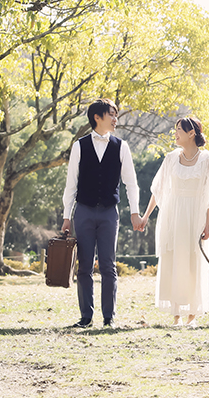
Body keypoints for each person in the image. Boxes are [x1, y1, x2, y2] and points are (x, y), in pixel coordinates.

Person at [61, 99, 141, 328]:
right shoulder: (79, 146)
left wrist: (134, 212)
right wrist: (67, 217)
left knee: (108, 265)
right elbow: (71, 185)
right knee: (84, 266)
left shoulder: (121, 146)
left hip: (109, 213)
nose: (116, 119)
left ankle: (109, 317)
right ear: (97, 117)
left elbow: (131, 184)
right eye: (112, 115)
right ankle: (86, 316)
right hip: (83, 212)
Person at [139, 116, 209, 326]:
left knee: (194, 262)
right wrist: (146, 215)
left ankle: (192, 315)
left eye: (178, 130)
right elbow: (158, 190)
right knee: (173, 260)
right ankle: (176, 314)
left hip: (195, 214)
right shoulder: (171, 158)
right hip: (173, 215)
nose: (175, 134)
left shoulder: (208, 161)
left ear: (191, 133)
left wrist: (207, 224)